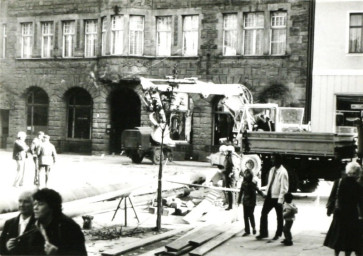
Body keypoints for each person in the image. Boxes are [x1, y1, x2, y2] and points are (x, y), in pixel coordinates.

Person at [29, 188, 87, 255]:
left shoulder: (69, 227)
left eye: (40, 204)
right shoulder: (35, 225)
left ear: (52, 206)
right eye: (35, 204)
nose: (35, 208)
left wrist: (57, 254)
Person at [324, 162, 363, 256]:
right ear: (357, 173)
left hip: (339, 214)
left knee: (338, 236)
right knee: (349, 239)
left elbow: (332, 197)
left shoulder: (339, 182)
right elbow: (360, 202)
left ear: (347, 171)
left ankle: (336, 255)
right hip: (352, 215)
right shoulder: (358, 186)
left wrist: (329, 210)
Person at [256, 154, 289, 241]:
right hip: (270, 196)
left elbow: (284, 188)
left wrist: (280, 200)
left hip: (277, 197)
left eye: (273, 159)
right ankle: (263, 233)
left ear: (278, 160)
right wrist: (264, 190)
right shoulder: (272, 170)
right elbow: (270, 183)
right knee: (263, 214)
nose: (272, 161)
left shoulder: (283, 172)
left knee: (279, 217)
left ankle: (278, 234)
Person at [0, 191, 37, 255]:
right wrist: (6, 247)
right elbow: (1, 248)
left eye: (26, 202)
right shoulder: (9, 223)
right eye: (20, 201)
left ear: (34, 204)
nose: (21, 205)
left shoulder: (38, 223)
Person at [237, 164, 265, 236]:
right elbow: (258, 190)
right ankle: (253, 227)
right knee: (251, 215)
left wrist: (239, 200)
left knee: (245, 216)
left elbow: (241, 193)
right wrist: (263, 195)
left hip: (246, 201)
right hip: (252, 201)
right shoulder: (253, 183)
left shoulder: (243, 184)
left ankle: (248, 230)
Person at [223, 145, 238, 210]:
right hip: (228, 174)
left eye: (227, 151)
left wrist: (231, 173)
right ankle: (231, 205)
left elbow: (234, 166)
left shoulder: (232, 157)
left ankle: (232, 205)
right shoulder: (228, 156)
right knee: (229, 190)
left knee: (231, 190)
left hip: (231, 175)